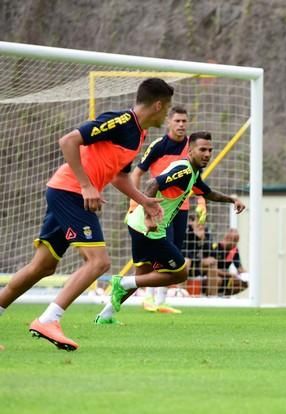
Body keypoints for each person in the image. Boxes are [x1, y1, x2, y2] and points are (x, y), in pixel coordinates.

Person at [0, 78, 173, 350]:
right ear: (158, 105)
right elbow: (68, 141)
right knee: (99, 262)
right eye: (167, 109)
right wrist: (86, 184)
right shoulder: (120, 121)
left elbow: (118, 178)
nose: (167, 115)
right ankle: (49, 319)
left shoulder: (138, 135)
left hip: (67, 192)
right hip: (71, 192)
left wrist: (145, 202)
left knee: (43, 266)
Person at [94, 132, 245, 325]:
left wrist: (232, 200)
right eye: (202, 150)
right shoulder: (183, 170)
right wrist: (150, 217)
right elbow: (152, 184)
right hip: (149, 229)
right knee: (180, 272)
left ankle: (104, 316)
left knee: (143, 275)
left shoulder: (193, 171)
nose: (207, 154)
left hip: (139, 226)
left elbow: (207, 193)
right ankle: (122, 282)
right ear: (190, 151)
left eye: (210, 150)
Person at [129, 105, 204, 314]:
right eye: (177, 120)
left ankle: (161, 300)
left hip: (181, 208)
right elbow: (137, 173)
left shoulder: (192, 146)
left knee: (174, 254)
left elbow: (197, 180)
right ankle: (148, 297)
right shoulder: (158, 145)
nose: (181, 125)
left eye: (184, 121)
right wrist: (136, 203)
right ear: (169, 121)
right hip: (157, 208)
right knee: (157, 253)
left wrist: (201, 202)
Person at [184, 222, 248, 297]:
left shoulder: (233, 251)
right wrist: (229, 275)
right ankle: (211, 297)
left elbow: (239, 268)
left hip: (225, 277)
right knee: (217, 279)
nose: (235, 243)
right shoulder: (216, 247)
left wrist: (247, 275)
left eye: (236, 241)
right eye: (234, 240)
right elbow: (212, 269)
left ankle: (223, 296)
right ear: (227, 238)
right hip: (208, 276)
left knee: (244, 284)